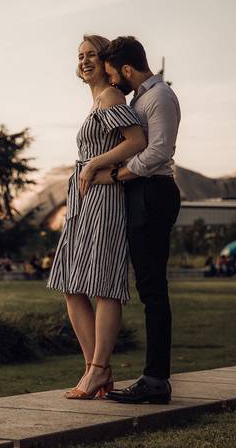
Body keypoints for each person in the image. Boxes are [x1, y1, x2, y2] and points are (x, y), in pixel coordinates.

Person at [46, 34, 147, 400]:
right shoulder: (95, 102)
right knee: (71, 283)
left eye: (91, 54)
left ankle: (98, 369)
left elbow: (136, 141)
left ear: (104, 61)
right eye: (80, 56)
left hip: (105, 198)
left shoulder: (111, 97)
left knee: (103, 285)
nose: (85, 60)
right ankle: (96, 369)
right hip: (84, 202)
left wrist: (94, 163)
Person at [94, 36, 182, 405]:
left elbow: (158, 150)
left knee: (152, 289)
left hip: (153, 191)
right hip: (143, 192)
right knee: (150, 288)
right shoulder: (141, 98)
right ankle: (154, 377)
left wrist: (117, 174)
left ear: (128, 69)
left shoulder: (158, 97)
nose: (115, 83)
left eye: (115, 75)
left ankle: (156, 379)